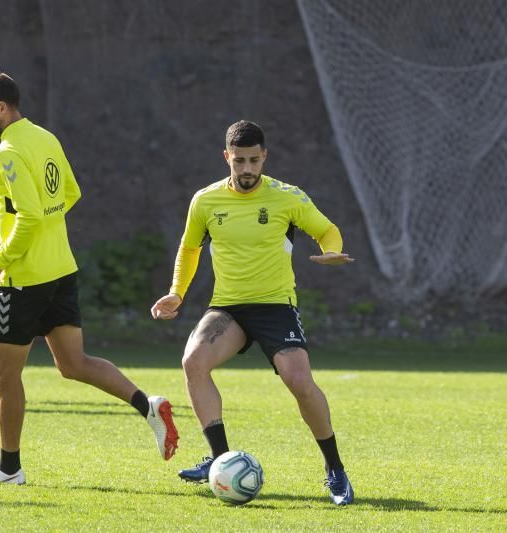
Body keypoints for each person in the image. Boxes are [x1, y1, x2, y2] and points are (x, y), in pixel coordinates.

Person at [0, 72, 178, 485]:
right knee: (73, 364)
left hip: (25, 276)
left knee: (3, 374)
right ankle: (147, 405)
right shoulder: (46, 138)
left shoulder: (6, 152)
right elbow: (71, 193)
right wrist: (43, 236)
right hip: (61, 268)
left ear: (1, 108)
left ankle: (9, 469)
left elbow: (27, 215)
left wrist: (2, 258)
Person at [150, 120, 356, 505]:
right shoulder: (206, 200)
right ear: (227, 157)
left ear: (264, 158)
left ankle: (335, 470)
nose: (247, 169)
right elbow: (189, 249)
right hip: (228, 308)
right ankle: (219, 460)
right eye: (239, 160)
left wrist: (331, 250)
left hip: (275, 305)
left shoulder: (286, 197)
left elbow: (327, 230)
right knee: (193, 361)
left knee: (299, 381)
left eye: (254, 161)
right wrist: (176, 293)